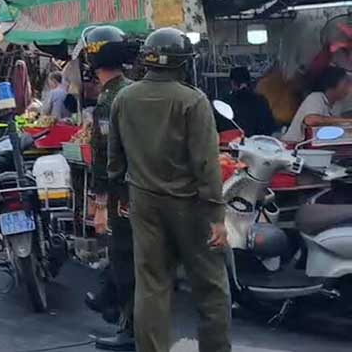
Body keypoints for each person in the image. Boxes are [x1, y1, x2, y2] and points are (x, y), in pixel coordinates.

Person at [108, 27, 231, 352]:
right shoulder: (193, 100)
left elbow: (114, 158)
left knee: (151, 287)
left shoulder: (124, 98)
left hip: (144, 203)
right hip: (191, 207)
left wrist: (122, 198)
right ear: (183, 63)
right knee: (211, 287)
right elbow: (206, 164)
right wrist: (217, 217)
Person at [78, 26, 136, 351]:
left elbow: (106, 157)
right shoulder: (134, 90)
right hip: (145, 191)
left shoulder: (109, 101)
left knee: (125, 260)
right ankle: (110, 303)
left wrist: (99, 205)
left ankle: (129, 330)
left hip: (122, 196)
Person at [283, 65, 352, 143]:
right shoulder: (316, 97)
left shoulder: (338, 104)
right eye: (346, 84)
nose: (349, 88)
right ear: (333, 83)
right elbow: (311, 120)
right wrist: (347, 121)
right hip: (293, 147)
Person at [225, 67, 278, 137]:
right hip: (259, 144)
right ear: (249, 81)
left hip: (233, 144)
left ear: (232, 83)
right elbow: (270, 127)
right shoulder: (261, 101)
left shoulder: (226, 102)